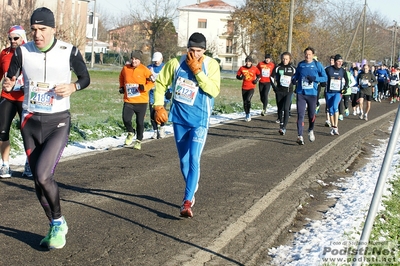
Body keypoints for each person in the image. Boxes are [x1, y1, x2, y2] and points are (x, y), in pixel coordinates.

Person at [2, 7, 90, 249]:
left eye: (42, 29)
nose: (37, 34)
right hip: (30, 122)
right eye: (33, 30)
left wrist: (73, 87)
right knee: (37, 183)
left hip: (57, 122)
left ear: (53, 29)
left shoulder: (68, 51)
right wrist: (8, 84)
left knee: (43, 175)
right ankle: (54, 224)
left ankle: (59, 222)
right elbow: (10, 80)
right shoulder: (22, 51)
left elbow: (85, 78)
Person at [153, 32, 220, 218]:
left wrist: (198, 71)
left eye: (199, 51)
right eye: (191, 50)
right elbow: (160, 83)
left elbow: (213, 90)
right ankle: (192, 184)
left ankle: (187, 201)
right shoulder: (175, 63)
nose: (195, 54)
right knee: (183, 161)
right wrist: (158, 105)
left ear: (204, 51)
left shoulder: (211, 65)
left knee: (194, 160)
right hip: (180, 119)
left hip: (200, 120)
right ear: (187, 48)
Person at [0, 25, 32, 178]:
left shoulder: (31, 53)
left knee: (28, 133)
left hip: (26, 98)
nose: (12, 41)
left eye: (16, 38)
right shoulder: (4, 54)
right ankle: (5, 165)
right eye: (10, 38)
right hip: (7, 97)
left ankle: (29, 163)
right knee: (1, 131)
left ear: (22, 37)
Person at [119, 50, 154, 150]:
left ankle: (138, 140)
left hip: (141, 101)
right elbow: (121, 77)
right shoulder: (125, 68)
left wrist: (145, 87)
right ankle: (130, 132)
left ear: (140, 60)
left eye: (136, 59)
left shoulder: (145, 70)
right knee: (126, 119)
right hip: (129, 100)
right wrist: (121, 87)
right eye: (132, 59)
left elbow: (152, 82)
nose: (134, 61)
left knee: (140, 122)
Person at [292, 46, 327, 145]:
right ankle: (300, 136)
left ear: (313, 55)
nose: (307, 56)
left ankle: (310, 129)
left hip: (312, 94)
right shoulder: (301, 64)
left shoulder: (317, 64)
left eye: (309, 54)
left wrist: (315, 78)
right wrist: (294, 79)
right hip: (301, 93)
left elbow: (325, 78)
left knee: (311, 115)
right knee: (300, 114)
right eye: (306, 54)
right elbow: (297, 75)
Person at [271, 52, 296, 135]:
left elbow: (298, 77)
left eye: (286, 59)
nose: (285, 60)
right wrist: (274, 88)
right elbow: (271, 77)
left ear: (289, 59)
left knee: (286, 108)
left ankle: (284, 127)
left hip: (289, 91)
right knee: (280, 108)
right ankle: (281, 123)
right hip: (279, 91)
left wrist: (296, 85)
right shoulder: (278, 67)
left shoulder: (293, 68)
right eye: (283, 59)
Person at [324, 54, 349, 136]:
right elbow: (323, 78)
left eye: (341, 62)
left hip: (338, 92)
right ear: (335, 61)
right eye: (338, 61)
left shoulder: (343, 71)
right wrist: (323, 83)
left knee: (335, 107)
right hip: (329, 92)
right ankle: (332, 127)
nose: (340, 63)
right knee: (330, 109)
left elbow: (347, 81)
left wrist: (345, 88)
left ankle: (336, 126)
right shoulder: (328, 69)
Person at [147, 51, 167, 139]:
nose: (156, 62)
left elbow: (170, 79)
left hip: (163, 95)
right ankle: (155, 131)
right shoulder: (149, 68)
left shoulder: (165, 67)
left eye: (158, 60)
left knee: (161, 113)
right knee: (152, 113)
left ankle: (162, 128)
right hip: (152, 95)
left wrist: (169, 91)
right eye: (155, 60)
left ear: (162, 59)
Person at [236, 56, 260, 122]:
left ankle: (248, 114)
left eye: (249, 61)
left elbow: (259, 75)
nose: (248, 63)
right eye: (247, 61)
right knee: (244, 102)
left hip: (251, 87)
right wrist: (241, 78)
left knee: (248, 100)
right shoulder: (242, 68)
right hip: (244, 87)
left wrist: (256, 80)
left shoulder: (255, 68)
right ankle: (247, 113)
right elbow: (237, 76)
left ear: (251, 62)